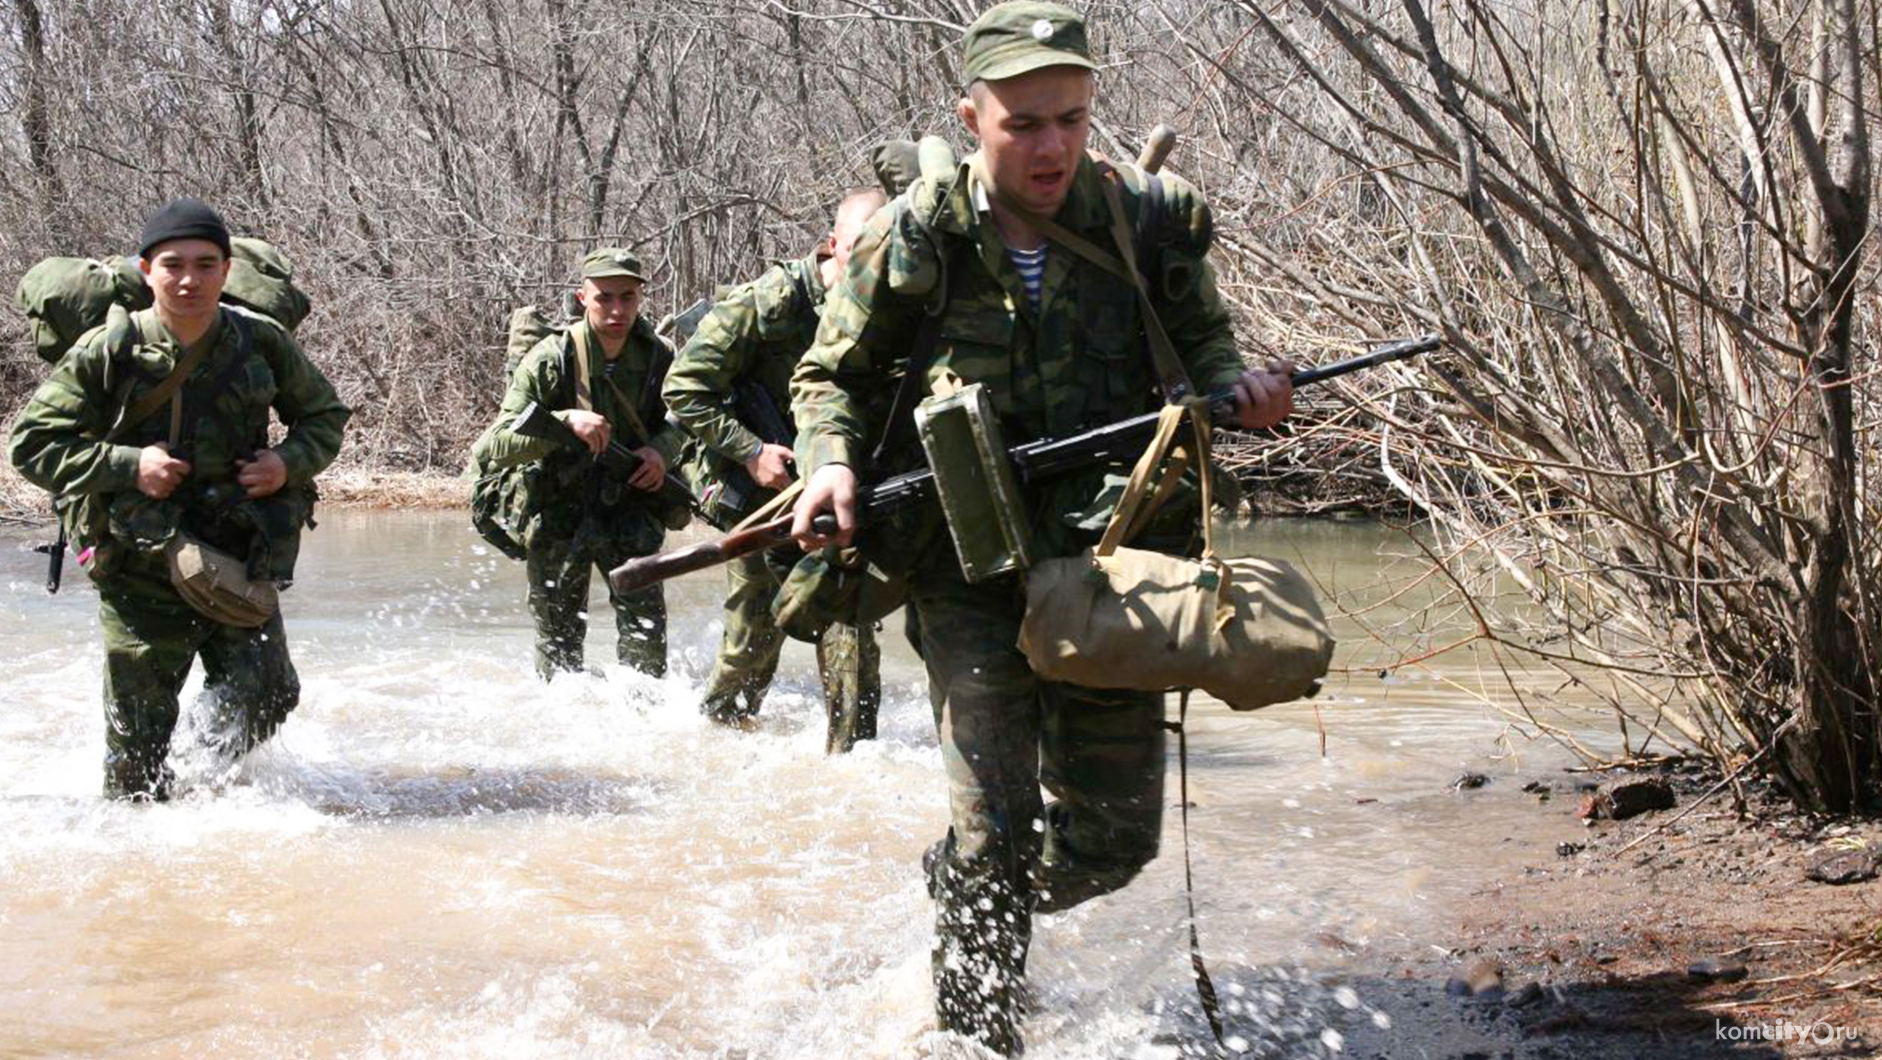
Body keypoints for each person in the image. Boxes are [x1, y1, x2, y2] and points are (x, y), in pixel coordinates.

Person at [786, 4, 1296, 1052]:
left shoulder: (1147, 221)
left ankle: (974, 895)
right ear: (972, 116)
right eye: (1023, 123)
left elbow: (1202, 347)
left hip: (1112, 558)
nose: (1052, 145)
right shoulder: (914, 234)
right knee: (995, 833)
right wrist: (828, 464)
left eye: (1069, 117)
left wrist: (1237, 390)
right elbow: (827, 376)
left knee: (1112, 840)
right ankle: (977, 1027)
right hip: (963, 567)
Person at [8, 198, 351, 801]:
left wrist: (285, 463)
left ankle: (196, 778)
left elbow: (323, 416)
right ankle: (142, 841)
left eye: (204, 263)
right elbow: (33, 445)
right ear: (147, 271)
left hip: (236, 549)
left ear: (225, 270)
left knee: (269, 692)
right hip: (137, 558)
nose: (188, 278)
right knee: (137, 751)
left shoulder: (262, 341)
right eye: (173, 264)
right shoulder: (108, 349)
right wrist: (127, 464)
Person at [663, 190, 887, 750]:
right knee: (750, 649)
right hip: (761, 495)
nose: (871, 263)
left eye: (884, 249)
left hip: (838, 497)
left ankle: (852, 768)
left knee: (851, 638)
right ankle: (714, 751)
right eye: (859, 247)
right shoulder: (771, 302)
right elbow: (683, 389)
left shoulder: (895, 308)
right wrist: (750, 450)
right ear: (833, 244)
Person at [470, 248, 686, 681]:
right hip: (558, 510)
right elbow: (491, 446)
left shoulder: (662, 358)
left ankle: (643, 728)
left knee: (646, 641)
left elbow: (689, 418)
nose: (617, 309)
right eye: (604, 297)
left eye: (627, 297)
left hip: (630, 508)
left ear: (641, 296)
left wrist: (662, 450)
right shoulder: (552, 359)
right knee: (558, 645)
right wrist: (563, 422)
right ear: (582, 298)